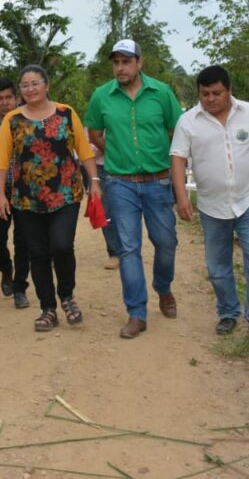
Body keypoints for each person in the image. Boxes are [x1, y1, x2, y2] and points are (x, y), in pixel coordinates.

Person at [170, 65, 249, 339]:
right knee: (217, 267)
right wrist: (182, 197)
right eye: (205, 94)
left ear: (229, 91)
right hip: (212, 206)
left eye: (216, 93)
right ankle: (228, 312)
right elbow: (178, 159)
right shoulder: (188, 121)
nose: (210, 99)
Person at [85, 39, 183, 339]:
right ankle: (137, 313)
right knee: (128, 247)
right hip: (120, 182)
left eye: (126, 61)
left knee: (166, 241)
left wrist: (160, 158)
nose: (120, 68)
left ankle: (163, 288)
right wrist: (117, 153)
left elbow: (176, 131)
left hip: (158, 180)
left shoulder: (161, 93)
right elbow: (95, 133)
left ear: (140, 63)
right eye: (116, 62)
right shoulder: (102, 96)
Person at [0, 65, 98, 331]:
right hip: (27, 199)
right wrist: (0, 195)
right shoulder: (12, 119)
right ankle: (48, 308)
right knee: (38, 253)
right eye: (25, 85)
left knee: (62, 246)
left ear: (46, 85)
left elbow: (84, 150)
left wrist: (95, 182)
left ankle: (67, 296)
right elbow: (2, 160)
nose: (30, 89)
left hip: (65, 194)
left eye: (35, 83)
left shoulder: (66, 113)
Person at [0, 78, 31, 308]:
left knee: (23, 240)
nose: (4, 102)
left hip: (25, 188)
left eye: (8, 98)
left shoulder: (28, 118)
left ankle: (20, 287)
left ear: (16, 98)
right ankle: (6, 269)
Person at [87, 127, 120, 269]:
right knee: (106, 213)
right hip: (101, 169)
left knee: (125, 210)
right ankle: (114, 253)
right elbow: (85, 149)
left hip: (125, 167)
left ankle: (129, 251)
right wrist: (102, 146)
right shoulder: (93, 120)